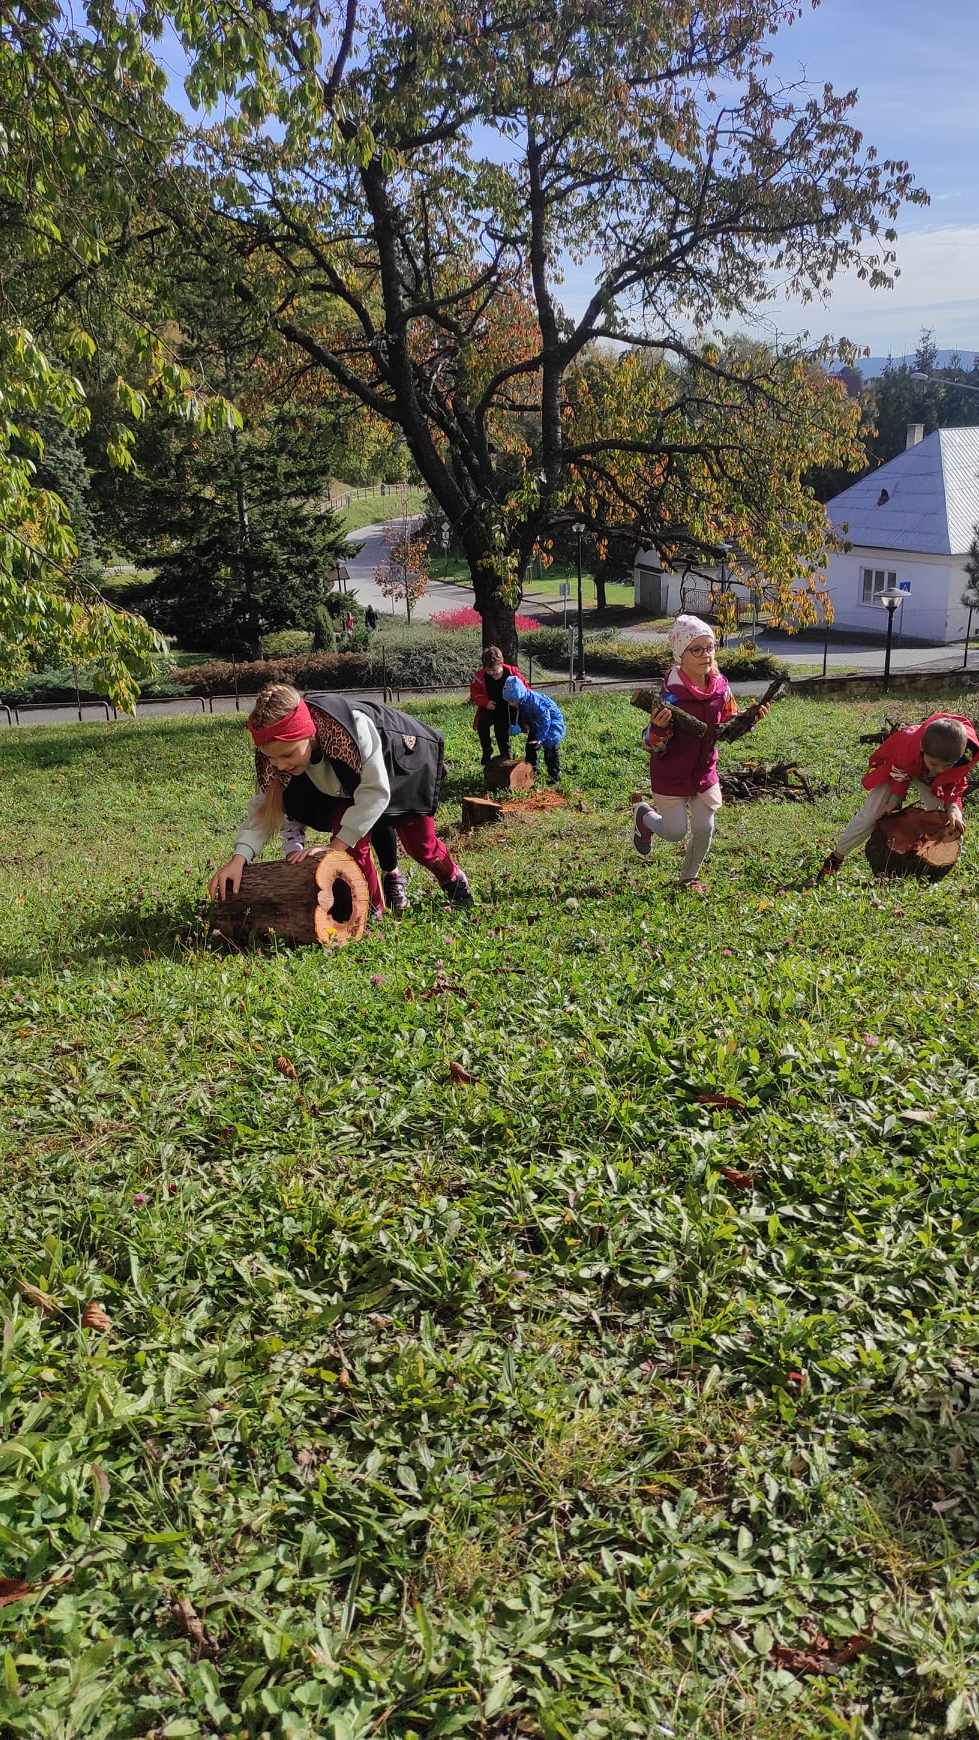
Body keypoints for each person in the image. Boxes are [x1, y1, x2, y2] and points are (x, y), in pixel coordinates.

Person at [209, 684, 472, 912]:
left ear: (307, 733)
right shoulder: (275, 759)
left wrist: (332, 849)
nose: (280, 765)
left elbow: (375, 792)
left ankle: (453, 880)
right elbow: (264, 810)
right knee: (351, 844)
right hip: (346, 783)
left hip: (404, 762)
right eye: (272, 758)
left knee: (420, 846)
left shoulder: (353, 728)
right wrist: (239, 859)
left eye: (287, 755)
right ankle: (370, 909)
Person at [631, 613, 767, 895]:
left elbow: (729, 724)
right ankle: (644, 816)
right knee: (675, 831)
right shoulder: (670, 694)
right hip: (671, 773)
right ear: (681, 654)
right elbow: (650, 743)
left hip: (704, 771)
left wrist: (750, 719)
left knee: (705, 828)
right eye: (697, 649)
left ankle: (688, 877)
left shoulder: (721, 687)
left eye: (710, 647)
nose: (706, 654)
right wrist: (658, 728)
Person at [817, 712, 979, 880]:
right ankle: (836, 857)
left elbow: (954, 781)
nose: (938, 770)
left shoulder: (967, 754)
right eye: (934, 764)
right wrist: (895, 798)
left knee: (945, 821)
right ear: (922, 749)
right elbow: (900, 770)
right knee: (872, 813)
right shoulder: (906, 743)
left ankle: (925, 870)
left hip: (927, 776)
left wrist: (953, 806)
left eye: (946, 766)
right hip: (896, 768)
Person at [501, 675, 566, 784]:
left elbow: (546, 719)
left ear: (519, 694)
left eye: (512, 701)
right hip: (537, 724)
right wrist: (523, 726)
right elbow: (524, 715)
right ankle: (531, 773)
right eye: (509, 701)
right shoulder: (521, 700)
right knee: (530, 748)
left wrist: (540, 738)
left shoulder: (534, 701)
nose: (510, 704)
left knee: (550, 750)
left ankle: (555, 777)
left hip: (552, 724)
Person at [469, 645, 524, 766]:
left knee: (501, 731)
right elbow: (475, 693)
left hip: (506, 708)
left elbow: (524, 689)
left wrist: (517, 702)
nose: (493, 674)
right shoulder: (480, 676)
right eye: (489, 671)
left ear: (501, 664)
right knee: (482, 725)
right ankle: (487, 751)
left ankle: (505, 754)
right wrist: (485, 702)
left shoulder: (512, 673)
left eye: (495, 671)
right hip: (489, 707)